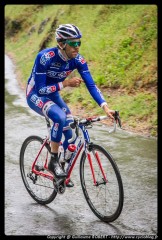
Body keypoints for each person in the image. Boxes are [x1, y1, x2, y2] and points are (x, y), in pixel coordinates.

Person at [26, 23, 116, 187]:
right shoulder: (45, 57)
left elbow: (91, 85)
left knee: (71, 135)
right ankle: (53, 162)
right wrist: (65, 83)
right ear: (62, 43)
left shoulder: (78, 60)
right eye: (73, 43)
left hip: (52, 93)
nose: (77, 47)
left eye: (79, 42)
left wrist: (105, 107)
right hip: (36, 94)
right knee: (59, 117)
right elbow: (41, 89)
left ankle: (61, 169)